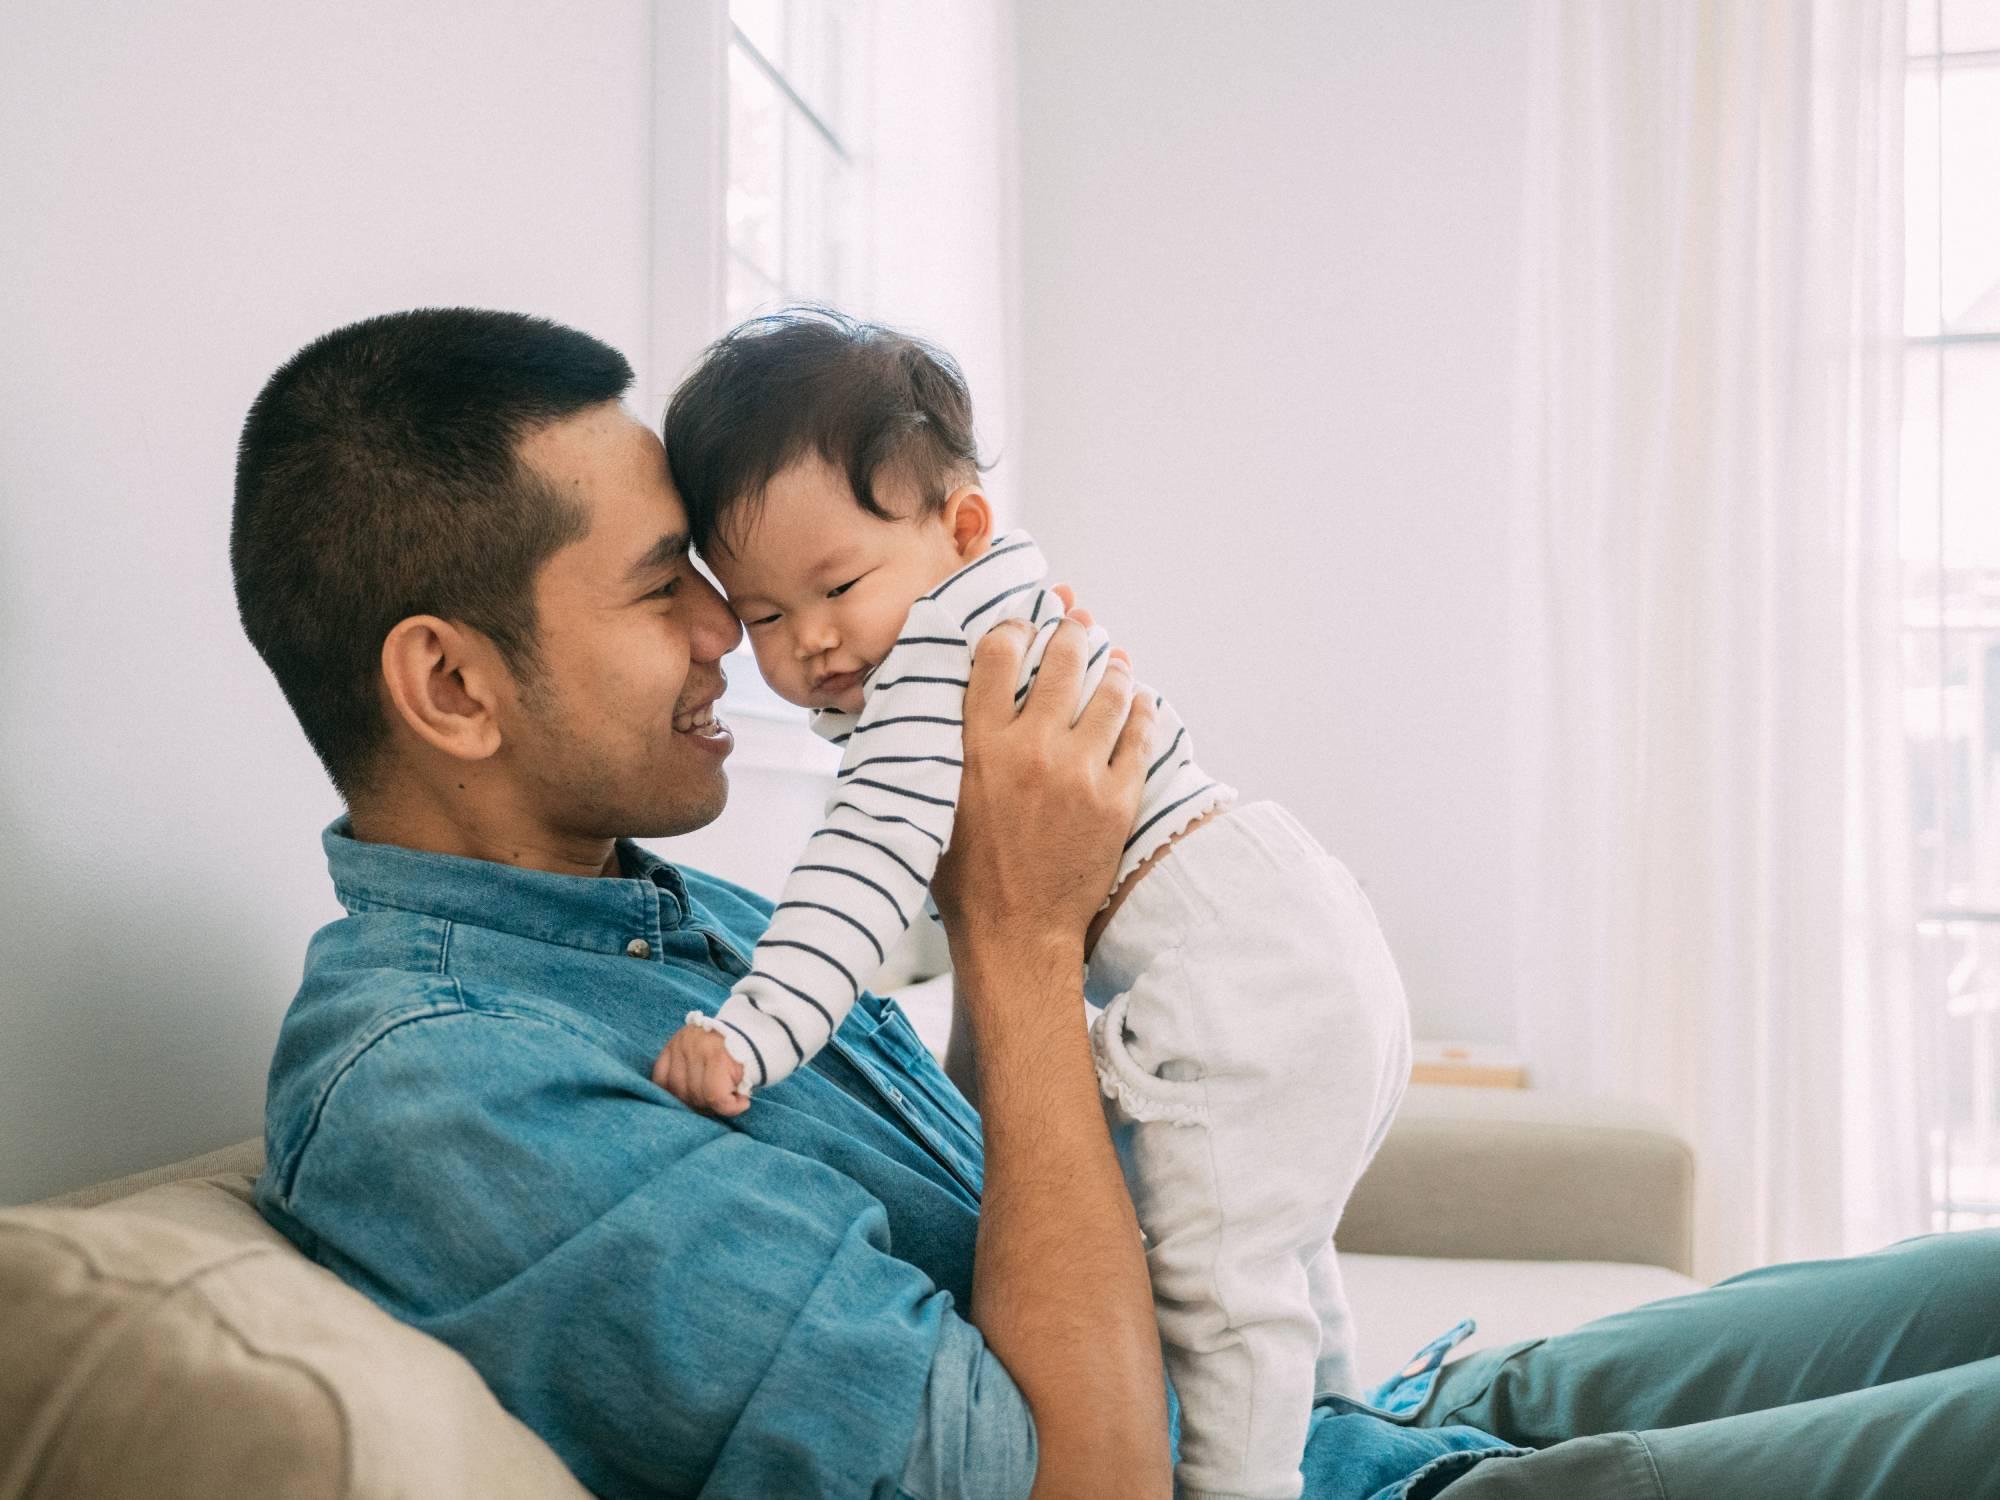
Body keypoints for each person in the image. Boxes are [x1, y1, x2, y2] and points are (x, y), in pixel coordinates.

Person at [234, 306, 2000, 1500]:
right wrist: (1022, 932)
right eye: (666, 592)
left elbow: (1035, 1176)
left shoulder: (653, 919)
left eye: (746, 586)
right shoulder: (446, 1096)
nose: (734, 635)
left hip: (1357, 1416)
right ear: (452, 687)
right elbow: (1068, 1476)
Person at [647, 309, 1412, 1498]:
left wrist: (749, 1031)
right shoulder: (997, 604)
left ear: (958, 527)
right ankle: (1339, 1432)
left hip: (1226, 967)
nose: (811, 641)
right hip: (1299, 917)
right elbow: (933, 896)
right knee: (1270, 1256)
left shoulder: (930, 670)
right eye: (761, 617)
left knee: (1216, 1302)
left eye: (836, 584)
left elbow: (855, 879)